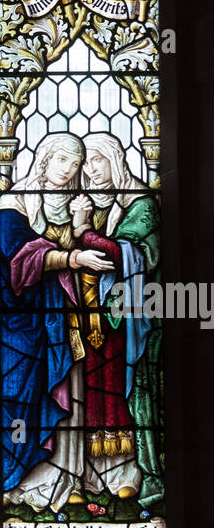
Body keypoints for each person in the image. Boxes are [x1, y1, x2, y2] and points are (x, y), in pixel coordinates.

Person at [0, 131, 139, 512]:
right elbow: (15, 254)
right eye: (64, 160)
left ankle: (73, 474)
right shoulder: (15, 202)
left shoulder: (81, 205)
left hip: (69, 316)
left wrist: (83, 229)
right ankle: (43, 477)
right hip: (25, 318)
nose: (71, 169)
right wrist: (74, 259)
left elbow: (101, 254)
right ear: (44, 159)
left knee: (73, 395)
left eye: (77, 163)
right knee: (33, 395)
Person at [75, 132, 163, 505]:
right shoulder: (98, 205)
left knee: (126, 395)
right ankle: (94, 479)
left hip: (130, 317)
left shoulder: (142, 204)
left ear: (116, 160)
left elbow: (126, 254)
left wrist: (83, 232)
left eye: (97, 160)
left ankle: (135, 472)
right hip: (94, 318)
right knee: (93, 397)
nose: (91, 170)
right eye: (86, 163)